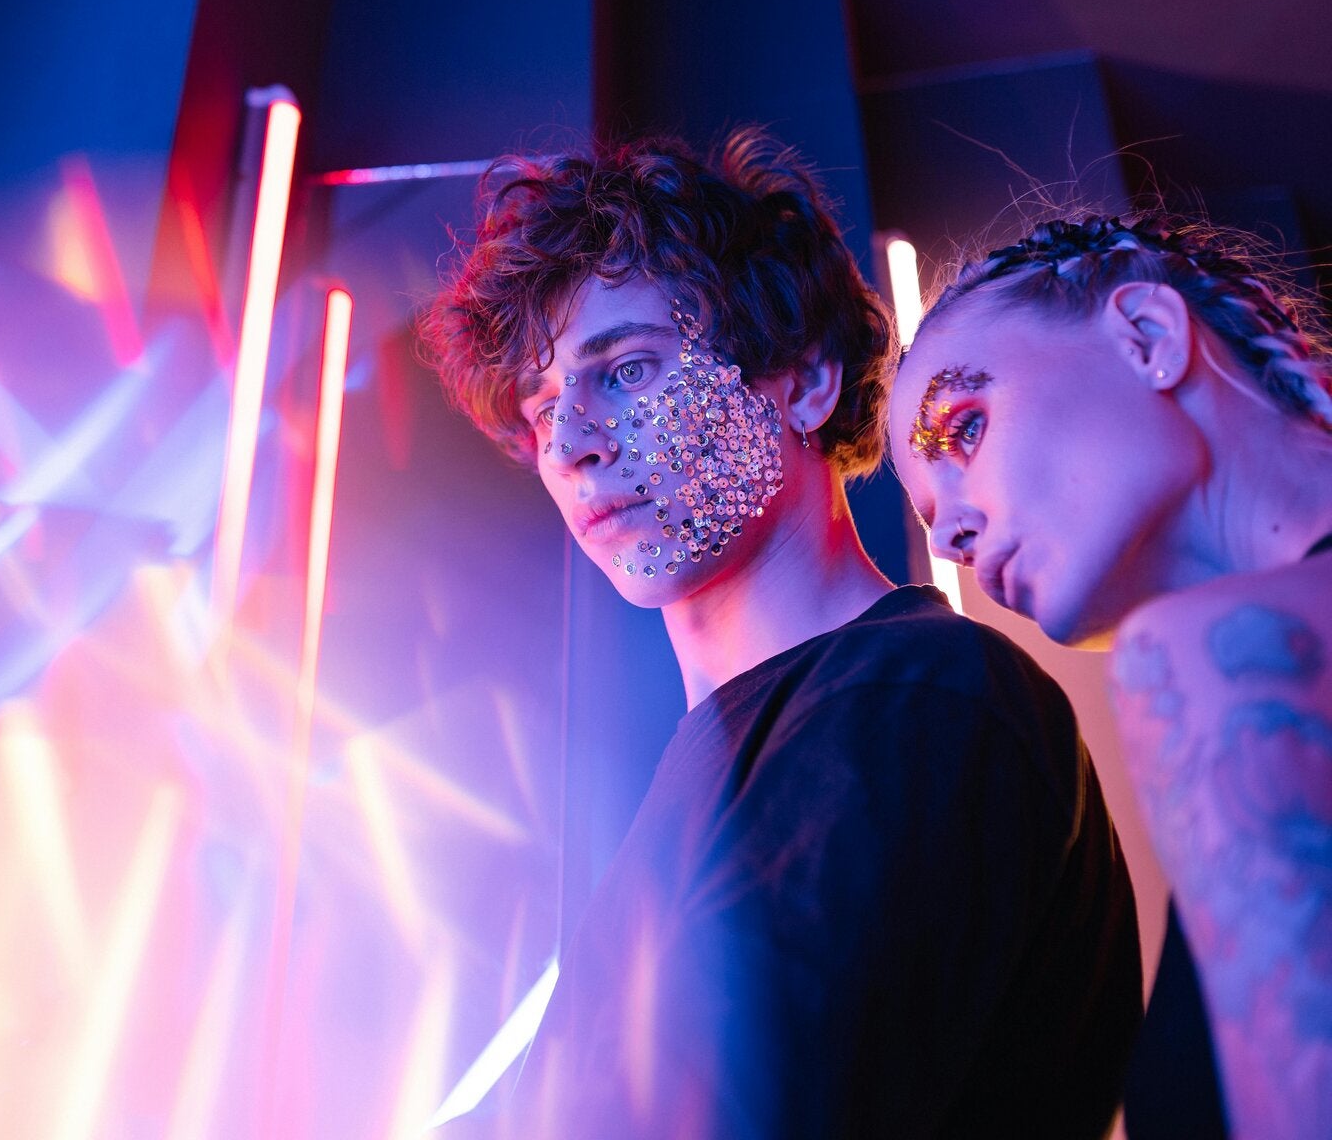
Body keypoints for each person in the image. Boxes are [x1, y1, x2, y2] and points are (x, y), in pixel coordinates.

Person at [417, 132, 1141, 1137]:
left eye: (625, 370)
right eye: (543, 411)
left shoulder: (918, 695)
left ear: (802, 380)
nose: (572, 443)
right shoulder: (726, 762)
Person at [885, 213, 1332, 1139]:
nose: (949, 537)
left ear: (1149, 337)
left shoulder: (1214, 657)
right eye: (928, 514)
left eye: (964, 430)